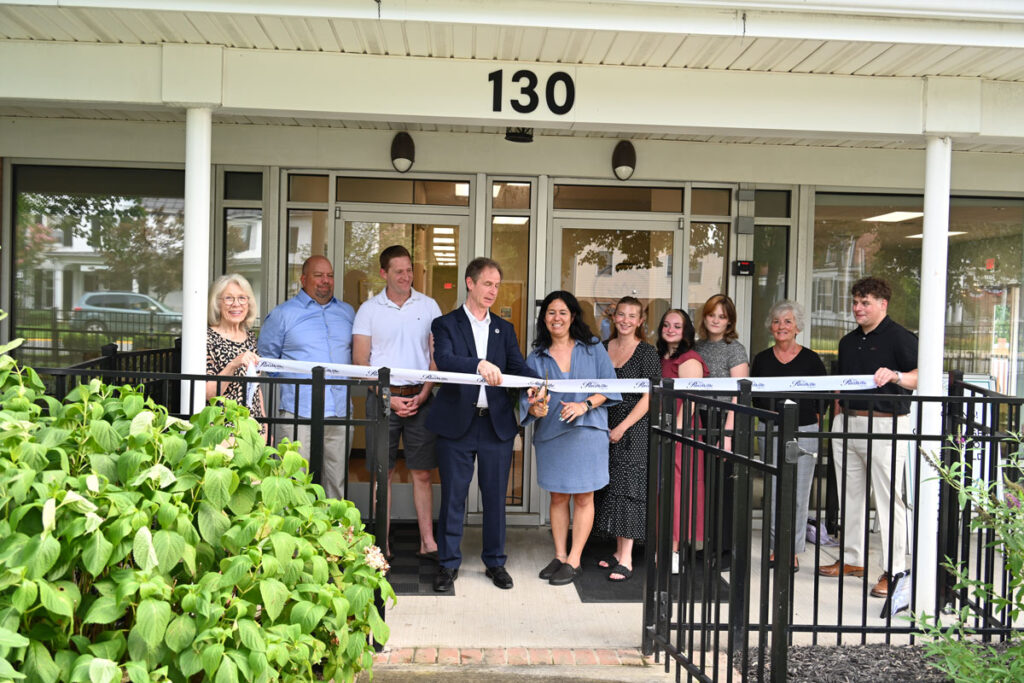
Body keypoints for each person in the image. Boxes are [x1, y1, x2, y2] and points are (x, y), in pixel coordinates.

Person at [426, 257, 539, 593]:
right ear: (469, 283)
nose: (493, 291)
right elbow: (444, 360)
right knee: (453, 499)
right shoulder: (445, 324)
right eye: (487, 283)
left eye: (497, 285)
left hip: (495, 426)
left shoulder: (505, 328)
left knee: (494, 499)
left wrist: (534, 384)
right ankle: (447, 566)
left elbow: (517, 366)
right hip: (456, 426)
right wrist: (479, 364)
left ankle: (495, 562)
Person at [818, 277, 917, 599]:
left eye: (866, 302)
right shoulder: (848, 341)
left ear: (882, 304)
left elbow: (923, 376)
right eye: (855, 302)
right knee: (851, 496)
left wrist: (898, 376)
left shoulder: (901, 337)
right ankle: (852, 559)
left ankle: (894, 570)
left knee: (889, 501)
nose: (858, 308)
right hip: (848, 422)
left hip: (886, 425)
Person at [522, 291, 620, 586]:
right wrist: (534, 407)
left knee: (584, 496)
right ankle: (560, 555)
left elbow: (610, 387)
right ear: (544, 319)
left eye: (563, 312)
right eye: (551, 312)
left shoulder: (592, 349)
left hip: (588, 433)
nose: (557, 318)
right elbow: (527, 397)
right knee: (558, 495)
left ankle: (575, 559)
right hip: (552, 435)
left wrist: (584, 405)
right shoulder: (536, 356)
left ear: (573, 316)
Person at [352, 245, 443, 561]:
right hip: (382, 400)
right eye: (399, 271)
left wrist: (424, 392)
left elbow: (436, 357)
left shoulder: (429, 306)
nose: (406, 276)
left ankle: (428, 542)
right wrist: (389, 399)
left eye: (409, 270)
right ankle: (381, 544)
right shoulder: (369, 310)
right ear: (384, 273)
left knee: (422, 473)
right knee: (383, 473)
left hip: (421, 399)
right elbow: (361, 362)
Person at [257, 255, 355, 500]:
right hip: (298, 412)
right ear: (303, 279)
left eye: (330, 275)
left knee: (337, 482)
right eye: (318, 275)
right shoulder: (282, 315)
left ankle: (335, 533)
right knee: (293, 481)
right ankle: (293, 537)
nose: (325, 281)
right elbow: (267, 359)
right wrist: (294, 384)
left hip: (339, 411)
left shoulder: (347, 313)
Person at [750, 300, 827, 572]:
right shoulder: (761, 359)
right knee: (773, 490)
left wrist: (811, 426)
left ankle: (791, 551)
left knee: (798, 492)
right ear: (771, 327)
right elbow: (755, 397)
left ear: (797, 327)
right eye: (776, 321)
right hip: (770, 430)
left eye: (787, 321)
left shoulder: (811, 359)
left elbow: (822, 400)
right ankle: (775, 548)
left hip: (804, 430)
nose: (781, 326)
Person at [593, 296, 661, 582]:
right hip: (602, 425)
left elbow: (649, 396)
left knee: (628, 491)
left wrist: (623, 426)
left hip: (634, 428)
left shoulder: (647, 352)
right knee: (610, 489)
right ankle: (618, 552)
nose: (626, 320)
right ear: (613, 316)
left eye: (632, 316)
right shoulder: (602, 348)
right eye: (621, 314)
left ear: (641, 321)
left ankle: (628, 559)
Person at [695, 294, 749, 571]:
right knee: (706, 486)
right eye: (711, 315)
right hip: (701, 420)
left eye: (722, 316)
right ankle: (709, 545)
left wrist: (727, 436)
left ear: (729, 321)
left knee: (725, 489)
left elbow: (739, 395)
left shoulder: (735, 349)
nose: (715, 320)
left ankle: (726, 550)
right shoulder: (698, 347)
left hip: (726, 421)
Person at [658, 309, 710, 573]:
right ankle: (662, 547)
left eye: (677, 326)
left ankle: (674, 553)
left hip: (680, 433)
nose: (670, 329)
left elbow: (689, 399)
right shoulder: (660, 356)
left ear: (686, 330)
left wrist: (675, 432)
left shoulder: (690, 359)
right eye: (666, 325)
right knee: (662, 490)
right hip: (660, 428)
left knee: (678, 492)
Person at [205, 273, 265, 439]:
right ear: (217, 303)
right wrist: (233, 365)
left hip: (252, 427)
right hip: (222, 429)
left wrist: (265, 424)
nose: (236, 304)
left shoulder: (250, 337)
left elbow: (256, 388)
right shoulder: (207, 338)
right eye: (229, 298)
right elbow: (208, 394)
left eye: (242, 298)